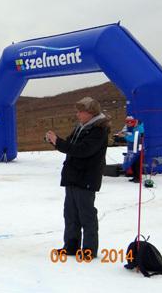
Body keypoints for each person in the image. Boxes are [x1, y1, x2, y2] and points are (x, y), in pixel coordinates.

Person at [45, 97, 110, 260]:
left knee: (86, 215)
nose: (78, 114)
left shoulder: (98, 131)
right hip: (73, 176)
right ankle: (71, 246)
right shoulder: (81, 128)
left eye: (81, 111)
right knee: (71, 214)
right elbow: (70, 145)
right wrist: (56, 141)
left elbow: (82, 150)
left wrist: (58, 142)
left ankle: (89, 250)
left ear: (90, 113)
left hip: (86, 179)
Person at [118, 116, 144, 183]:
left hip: (139, 148)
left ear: (134, 122)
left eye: (130, 122)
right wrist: (123, 133)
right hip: (131, 148)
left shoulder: (139, 128)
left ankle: (138, 177)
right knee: (132, 163)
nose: (129, 124)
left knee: (137, 164)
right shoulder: (128, 127)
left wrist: (124, 136)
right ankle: (135, 176)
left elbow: (133, 139)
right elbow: (126, 131)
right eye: (127, 122)